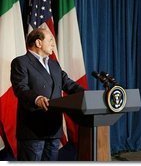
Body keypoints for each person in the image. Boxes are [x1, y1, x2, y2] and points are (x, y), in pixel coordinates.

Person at [10, 28, 85, 161]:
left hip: (54, 129)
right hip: (33, 130)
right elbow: (20, 88)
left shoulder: (54, 64)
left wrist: (87, 95)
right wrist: (37, 99)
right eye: (50, 40)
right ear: (38, 43)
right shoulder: (21, 62)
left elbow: (68, 84)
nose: (53, 44)